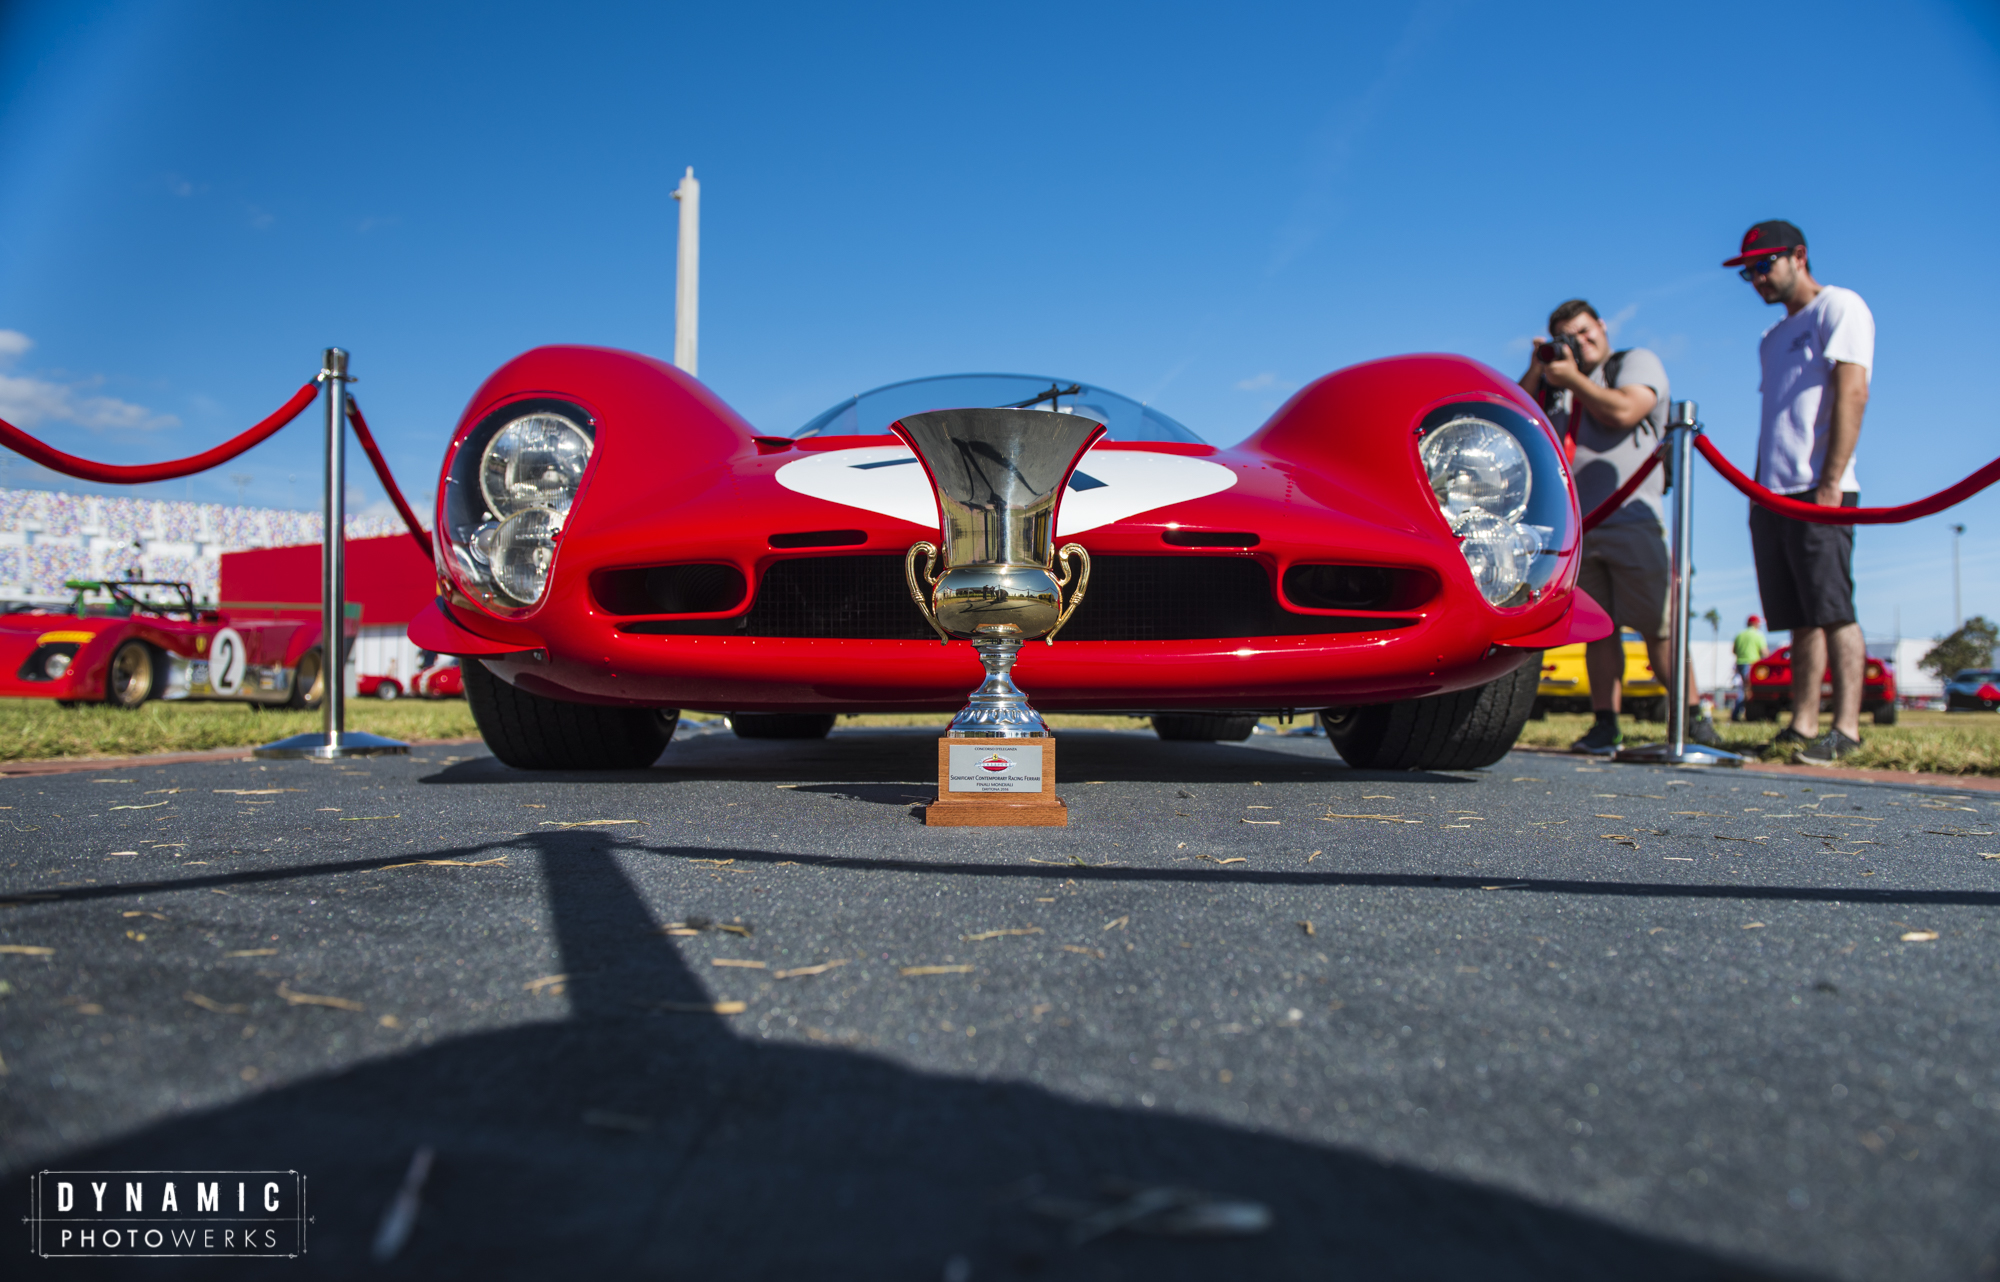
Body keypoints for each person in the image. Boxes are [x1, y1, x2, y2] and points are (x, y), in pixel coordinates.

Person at [1520, 299, 1722, 754]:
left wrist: (1573, 378)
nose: (1581, 341)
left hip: (1632, 520)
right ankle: (1605, 722)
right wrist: (1539, 369)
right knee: (1598, 629)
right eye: (1569, 336)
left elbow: (1625, 412)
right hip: (1579, 529)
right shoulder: (1557, 383)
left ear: (1602, 327)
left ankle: (1691, 717)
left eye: (1586, 331)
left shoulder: (1633, 363)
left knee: (1660, 626)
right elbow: (1520, 419)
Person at [1724, 220, 1873, 765]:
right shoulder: (1771, 338)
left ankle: (1849, 728)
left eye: (1764, 264)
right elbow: (1776, 418)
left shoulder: (1839, 307)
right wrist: (1759, 489)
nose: (1757, 277)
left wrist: (1831, 481)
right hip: (1772, 492)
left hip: (1821, 487)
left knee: (1833, 606)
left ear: (1798, 256)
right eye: (1749, 272)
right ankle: (1802, 722)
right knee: (1798, 613)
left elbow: (1852, 392)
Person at [1730, 614, 1768, 721]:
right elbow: (1764, 652)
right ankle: (1739, 713)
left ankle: (1739, 713)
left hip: (1740, 663)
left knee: (1744, 688)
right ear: (1756, 624)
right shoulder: (1758, 635)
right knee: (1748, 690)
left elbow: (1734, 651)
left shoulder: (1739, 635)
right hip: (1752, 664)